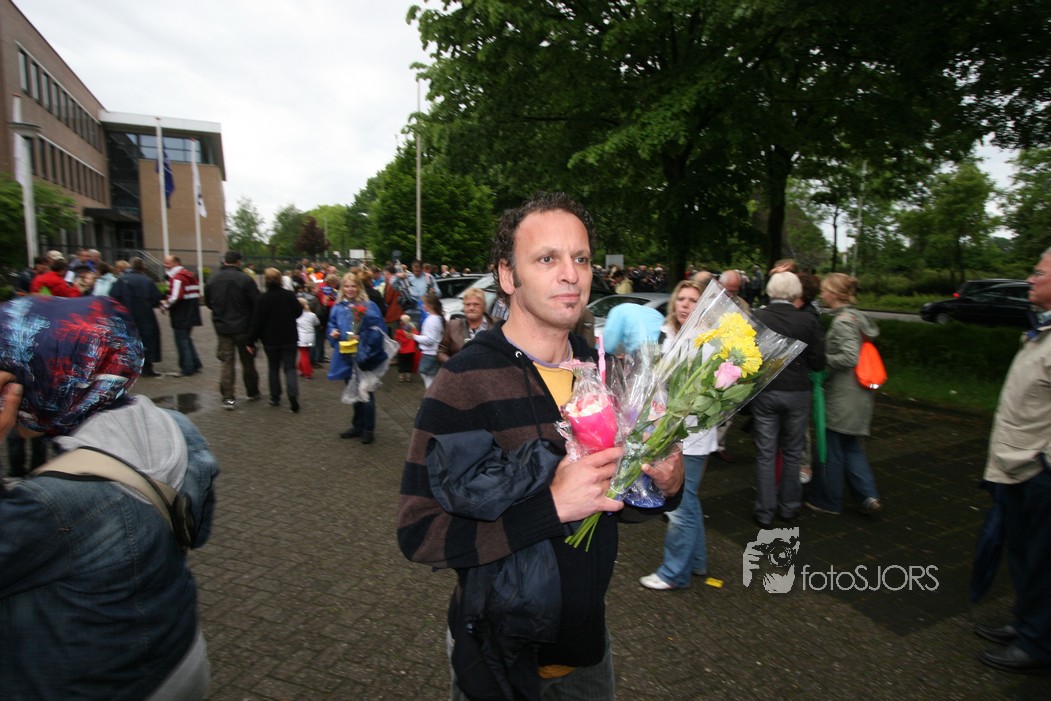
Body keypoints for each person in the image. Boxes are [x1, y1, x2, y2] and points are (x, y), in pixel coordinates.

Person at [397, 192, 684, 700]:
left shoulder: (605, 373)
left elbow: (615, 506)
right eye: (547, 258)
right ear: (508, 276)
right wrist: (549, 508)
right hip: (497, 656)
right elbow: (419, 533)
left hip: (587, 651)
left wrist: (665, 487)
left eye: (581, 258)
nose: (571, 274)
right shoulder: (465, 380)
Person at [0, 295, 219, 700]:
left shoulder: (49, 505)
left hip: (98, 685)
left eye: (11, 378)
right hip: (179, 655)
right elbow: (197, 529)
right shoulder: (175, 426)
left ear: (43, 377)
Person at [974, 249, 1051, 674]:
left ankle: (1037, 644)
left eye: (1039, 273)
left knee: (1042, 559)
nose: (1029, 279)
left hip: (1037, 470)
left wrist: (1043, 462)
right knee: (1021, 552)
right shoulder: (1041, 329)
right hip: (1016, 465)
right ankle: (1026, 624)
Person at [639, 279, 718, 591]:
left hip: (693, 436)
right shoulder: (665, 333)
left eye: (693, 300)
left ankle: (673, 573)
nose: (685, 304)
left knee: (679, 506)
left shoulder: (709, 343)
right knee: (689, 500)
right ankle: (696, 561)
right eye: (681, 298)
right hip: (665, 429)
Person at [749, 272, 826, 527]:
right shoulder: (808, 320)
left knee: (766, 453)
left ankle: (764, 511)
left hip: (766, 391)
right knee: (793, 451)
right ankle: (789, 507)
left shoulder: (758, 317)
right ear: (795, 292)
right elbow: (818, 361)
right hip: (798, 393)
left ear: (770, 290)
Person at [805, 273, 882, 515]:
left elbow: (850, 356)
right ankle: (868, 495)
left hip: (842, 397)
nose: (822, 295)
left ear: (835, 294)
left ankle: (827, 500)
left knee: (831, 449)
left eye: (825, 290)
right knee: (852, 447)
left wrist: (821, 359)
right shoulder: (857, 317)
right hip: (858, 395)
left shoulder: (843, 322)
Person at [328, 272, 387, 444]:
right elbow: (331, 324)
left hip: (365, 356)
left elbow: (379, 329)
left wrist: (363, 337)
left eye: (353, 286)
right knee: (353, 391)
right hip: (346, 356)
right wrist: (333, 332)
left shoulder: (369, 306)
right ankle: (357, 426)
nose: (350, 289)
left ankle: (369, 429)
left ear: (359, 287)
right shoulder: (338, 307)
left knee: (366, 392)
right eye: (346, 286)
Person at [203, 251, 260, 410]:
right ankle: (252, 391)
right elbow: (256, 302)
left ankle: (228, 397)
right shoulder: (246, 279)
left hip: (223, 327)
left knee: (227, 362)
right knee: (248, 361)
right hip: (243, 327)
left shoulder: (213, 279)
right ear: (238, 262)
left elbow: (208, 302)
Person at [249, 268, 302, 413]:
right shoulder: (289, 295)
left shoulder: (262, 299)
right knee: (290, 368)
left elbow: (257, 321)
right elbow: (298, 312)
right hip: (289, 337)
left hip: (270, 339)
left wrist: (251, 340)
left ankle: (275, 397)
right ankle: (292, 393)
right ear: (280, 280)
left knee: (273, 368)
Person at [110, 257, 163, 377]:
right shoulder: (147, 281)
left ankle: (128, 367)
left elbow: (113, 296)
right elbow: (156, 299)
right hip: (145, 315)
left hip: (126, 315)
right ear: (143, 267)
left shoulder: (121, 280)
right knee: (146, 340)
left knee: (128, 340)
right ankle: (147, 367)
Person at [162, 255, 204, 377]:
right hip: (191, 312)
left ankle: (187, 367)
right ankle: (195, 363)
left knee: (182, 341)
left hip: (181, 314)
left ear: (175, 263)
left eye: (168, 263)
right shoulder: (189, 275)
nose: (165, 265)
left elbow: (175, 297)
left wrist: (164, 306)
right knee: (186, 339)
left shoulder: (178, 277)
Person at [438, 287, 492, 364]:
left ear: (484, 307)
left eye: (476, 304)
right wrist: (453, 364)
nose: (471, 308)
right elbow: (441, 351)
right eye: (467, 304)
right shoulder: (452, 326)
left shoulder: (497, 325)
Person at [412, 293, 444, 389]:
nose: (422, 306)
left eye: (424, 303)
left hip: (430, 353)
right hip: (433, 352)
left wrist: (414, 336)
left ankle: (431, 395)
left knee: (428, 379)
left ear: (430, 305)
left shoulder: (432, 320)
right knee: (430, 378)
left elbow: (430, 340)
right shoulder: (437, 318)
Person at [296, 297, 320, 379]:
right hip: (310, 337)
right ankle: (301, 368)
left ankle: (307, 372)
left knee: (304, 354)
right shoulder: (312, 315)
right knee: (305, 353)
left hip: (301, 338)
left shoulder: (296, 315)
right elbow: (317, 323)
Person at [395, 314, 418, 382]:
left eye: (400, 321)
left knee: (401, 363)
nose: (399, 322)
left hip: (401, 350)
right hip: (411, 350)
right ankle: (408, 376)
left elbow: (396, 339)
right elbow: (417, 335)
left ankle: (401, 376)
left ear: (402, 322)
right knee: (409, 363)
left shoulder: (399, 331)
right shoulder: (413, 330)